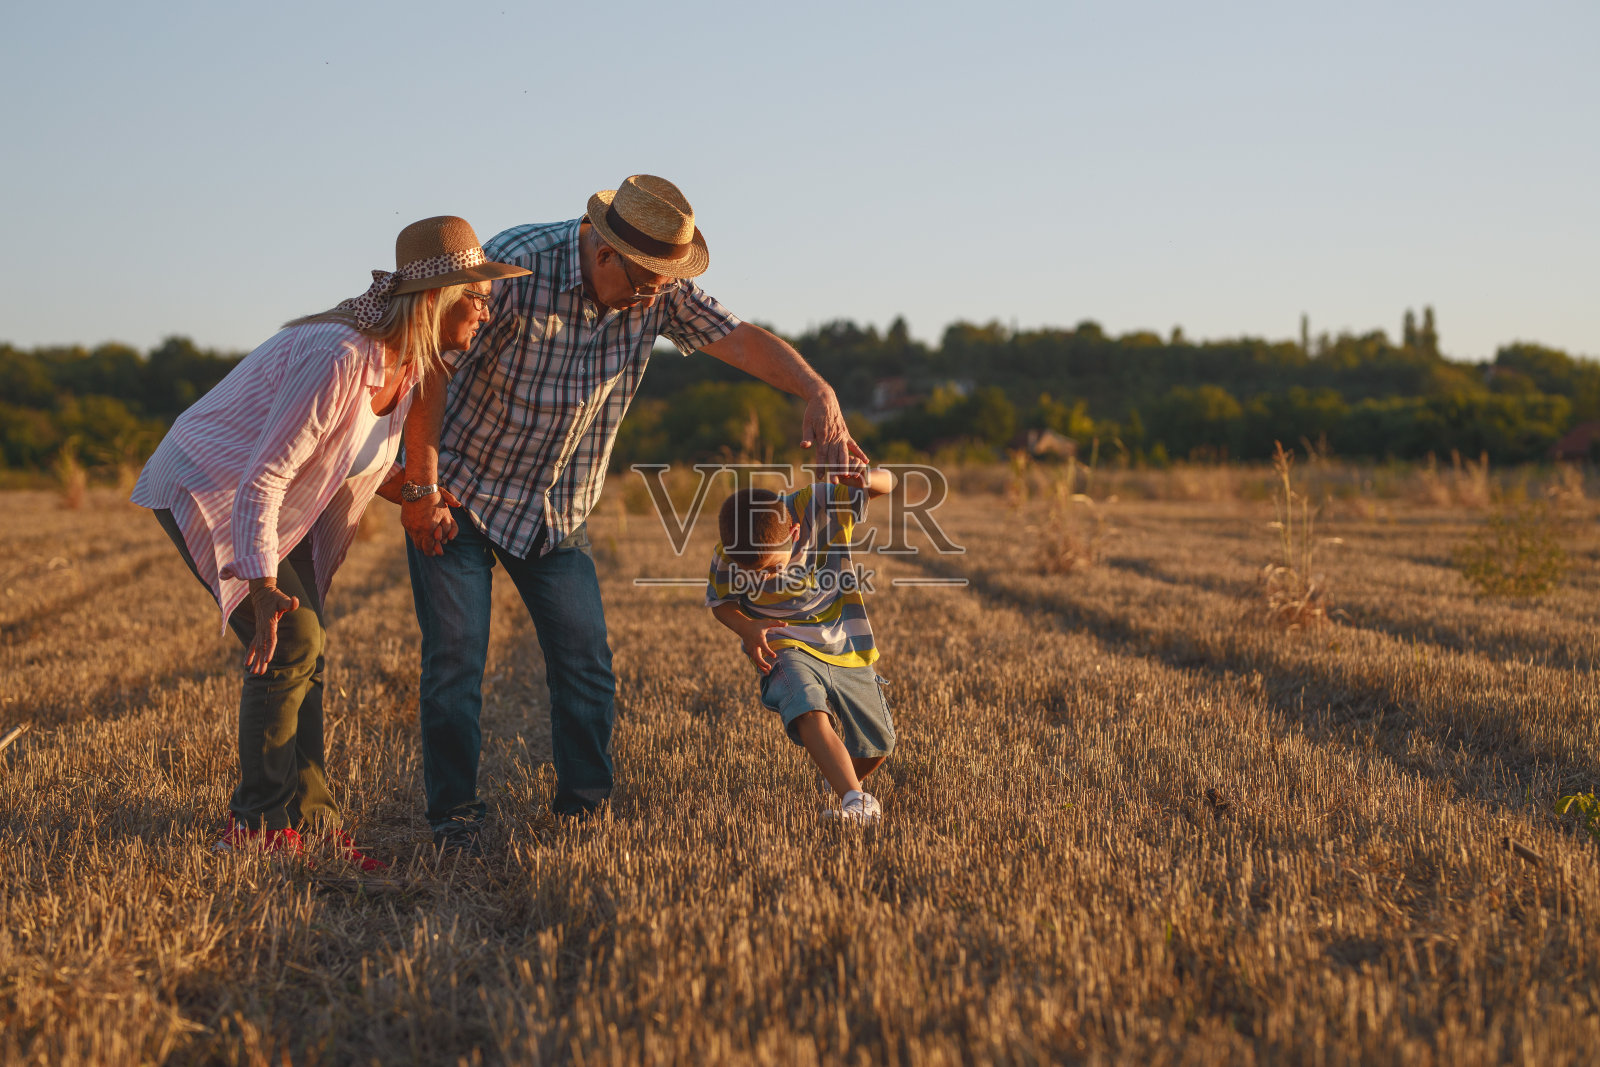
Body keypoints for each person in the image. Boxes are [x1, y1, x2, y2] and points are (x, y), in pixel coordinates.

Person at [400, 174, 868, 854]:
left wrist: (817, 388)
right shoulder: (516, 266)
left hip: (558, 507)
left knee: (585, 661)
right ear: (606, 253)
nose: (654, 297)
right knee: (456, 660)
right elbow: (433, 365)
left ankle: (582, 812)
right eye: (646, 282)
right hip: (462, 493)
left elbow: (736, 339)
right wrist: (421, 486)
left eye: (663, 286)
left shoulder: (660, 289)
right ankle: (455, 819)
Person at [132, 216, 531, 866]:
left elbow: (350, 453)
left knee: (307, 649)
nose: (486, 311)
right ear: (436, 299)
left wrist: (414, 493)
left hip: (271, 492)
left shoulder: (408, 360)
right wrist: (261, 587)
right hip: (212, 479)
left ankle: (312, 825)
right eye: (478, 296)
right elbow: (263, 474)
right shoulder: (340, 356)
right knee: (290, 638)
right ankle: (256, 828)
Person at [706, 470, 897, 822]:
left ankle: (840, 779)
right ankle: (857, 803)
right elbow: (721, 601)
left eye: (771, 567)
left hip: (843, 643)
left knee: (879, 744)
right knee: (806, 707)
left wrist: (866, 478)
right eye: (756, 574)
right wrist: (747, 628)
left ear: (794, 534)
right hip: (784, 644)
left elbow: (889, 484)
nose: (765, 578)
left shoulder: (819, 505)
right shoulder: (730, 554)